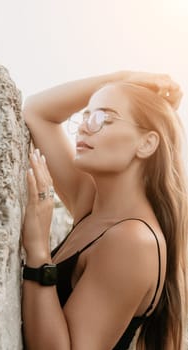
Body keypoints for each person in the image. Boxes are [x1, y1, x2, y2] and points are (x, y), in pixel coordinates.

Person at [21, 71, 187, 350]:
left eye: (102, 119)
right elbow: (37, 112)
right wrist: (124, 78)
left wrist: (38, 249)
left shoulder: (132, 241)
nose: (85, 128)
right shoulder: (92, 202)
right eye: (85, 117)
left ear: (146, 144)